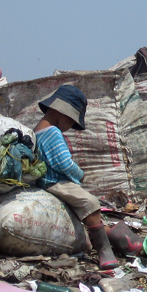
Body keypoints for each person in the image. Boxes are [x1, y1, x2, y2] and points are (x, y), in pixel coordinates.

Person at [33, 85, 119, 269]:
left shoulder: (37, 131)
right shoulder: (52, 133)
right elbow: (64, 163)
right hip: (55, 182)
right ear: (62, 113)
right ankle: (105, 252)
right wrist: (80, 174)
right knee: (91, 203)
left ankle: (116, 241)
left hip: (44, 182)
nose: (70, 127)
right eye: (71, 121)